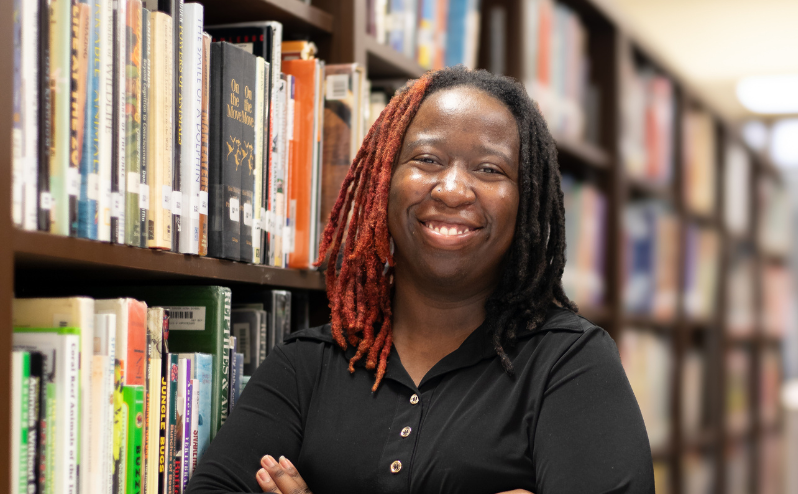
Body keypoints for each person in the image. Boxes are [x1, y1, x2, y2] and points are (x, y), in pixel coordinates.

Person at [185, 66, 654, 494]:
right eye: (428, 160)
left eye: (489, 169)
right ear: (384, 179)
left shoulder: (571, 363)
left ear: (526, 200)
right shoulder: (306, 367)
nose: (451, 189)